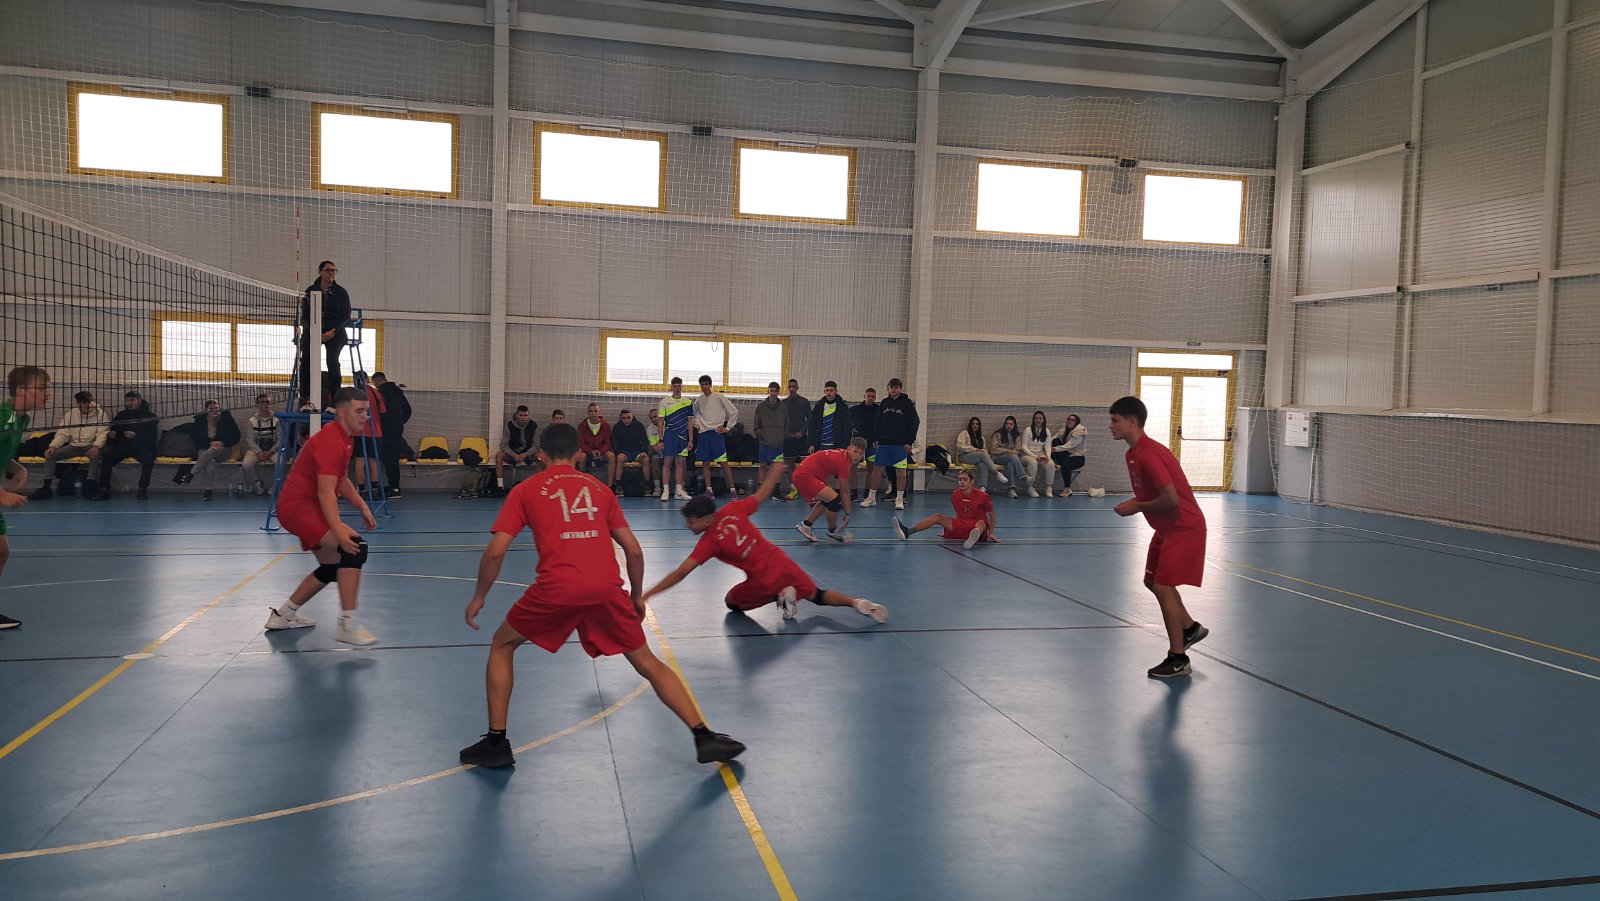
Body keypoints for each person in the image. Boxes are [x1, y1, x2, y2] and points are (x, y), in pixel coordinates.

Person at [458, 423, 745, 769]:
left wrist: (479, 596)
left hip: (557, 588)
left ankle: (496, 742)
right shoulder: (600, 489)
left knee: (502, 644)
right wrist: (636, 596)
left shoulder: (526, 490)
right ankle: (703, 735)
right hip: (606, 588)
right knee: (647, 662)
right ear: (579, 454)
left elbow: (495, 551)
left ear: (541, 455)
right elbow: (634, 551)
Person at [643, 461, 887, 626]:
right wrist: (775, 472)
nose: (688, 526)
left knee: (731, 602)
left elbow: (681, 572)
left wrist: (648, 594)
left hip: (763, 579)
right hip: (781, 560)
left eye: (691, 522)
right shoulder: (733, 509)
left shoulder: (710, 542)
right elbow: (761, 494)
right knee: (816, 594)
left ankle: (781, 596)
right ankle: (857, 603)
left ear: (706, 520)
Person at [263, 387, 380, 647]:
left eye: (366, 411)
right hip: (298, 508)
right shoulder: (331, 442)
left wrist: (362, 506)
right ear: (342, 412)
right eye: (359, 411)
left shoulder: (345, 438)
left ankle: (283, 615)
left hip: (306, 506)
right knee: (354, 549)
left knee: (333, 566)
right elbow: (326, 494)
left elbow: (341, 480)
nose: (365, 417)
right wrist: (338, 532)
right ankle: (348, 626)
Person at [1109, 395, 1209, 679]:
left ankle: (1178, 659)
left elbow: (1171, 499)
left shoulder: (1149, 454)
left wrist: (1137, 506)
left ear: (1132, 422)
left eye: (1115, 421)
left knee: (1163, 586)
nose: (1110, 426)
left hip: (1184, 527)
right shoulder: (1132, 454)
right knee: (1151, 582)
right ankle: (1189, 628)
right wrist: (1139, 504)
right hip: (1166, 528)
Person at [0, 366, 51, 629]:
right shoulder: (2, 416)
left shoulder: (21, 419)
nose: (47, 394)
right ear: (20, 390)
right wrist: (2, 494)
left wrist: (17, 467)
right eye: (41, 388)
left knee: (1, 551)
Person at [892, 468, 997, 549]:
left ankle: (973, 538)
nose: (962, 482)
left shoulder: (982, 496)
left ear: (972, 481)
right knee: (937, 516)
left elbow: (992, 514)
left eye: (965, 479)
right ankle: (907, 531)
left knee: (980, 523)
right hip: (962, 524)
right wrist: (950, 529)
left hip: (977, 526)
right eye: (960, 479)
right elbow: (959, 513)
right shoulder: (955, 494)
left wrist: (990, 533)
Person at [33, 390, 108, 500]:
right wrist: (52, 446)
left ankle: (90, 486)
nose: (88, 405)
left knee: (95, 455)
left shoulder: (101, 414)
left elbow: (103, 433)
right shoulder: (71, 414)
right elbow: (62, 434)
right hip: (74, 446)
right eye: (84, 403)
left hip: (91, 445)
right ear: (78, 404)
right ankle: (46, 487)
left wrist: (96, 446)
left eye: (89, 402)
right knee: (51, 455)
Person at [298, 260, 351, 410]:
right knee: (306, 361)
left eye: (334, 270)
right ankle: (305, 398)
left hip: (335, 333)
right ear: (320, 271)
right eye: (328, 270)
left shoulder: (341, 292)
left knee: (333, 362)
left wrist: (333, 331)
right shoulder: (310, 291)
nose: (331, 273)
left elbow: (345, 316)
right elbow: (305, 315)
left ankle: (334, 400)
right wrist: (315, 332)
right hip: (313, 331)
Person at [793, 437, 866, 543]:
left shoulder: (842, 455)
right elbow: (845, 491)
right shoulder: (843, 463)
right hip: (805, 476)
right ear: (848, 448)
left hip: (808, 474)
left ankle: (806, 525)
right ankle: (832, 530)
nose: (858, 456)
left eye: (861, 453)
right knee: (835, 501)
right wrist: (848, 513)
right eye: (855, 451)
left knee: (828, 500)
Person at [94, 390, 159, 501]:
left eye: (132, 400)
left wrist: (136, 436)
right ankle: (103, 489)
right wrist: (112, 435)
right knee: (106, 460)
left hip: (141, 447)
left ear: (139, 400)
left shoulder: (150, 417)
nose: (129, 403)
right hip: (122, 446)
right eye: (127, 400)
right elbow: (114, 430)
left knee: (149, 459)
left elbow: (152, 437)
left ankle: (142, 489)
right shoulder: (121, 415)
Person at [874, 377, 920, 511]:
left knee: (901, 471)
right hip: (884, 442)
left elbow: (914, 422)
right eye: (891, 387)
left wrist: (909, 441)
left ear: (901, 389)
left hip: (900, 444)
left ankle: (900, 498)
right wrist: (876, 438)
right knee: (881, 469)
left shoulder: (907, 404)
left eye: (896, 387)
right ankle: (873, 496)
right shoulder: (884, 403)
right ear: (888, 389)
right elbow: (878, 421)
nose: (894, 390)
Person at [690, 375, 739, 499]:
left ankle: (733, 490)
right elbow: (693, 414)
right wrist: (697, 425)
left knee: (723, 462)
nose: (704, 387)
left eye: (706, 384)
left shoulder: (719, 397)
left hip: (716, 435)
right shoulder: (699, 399)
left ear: (710, 385)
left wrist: (727, 428)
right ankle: (709, 490)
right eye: (702, 384)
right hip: (703, 435)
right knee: (705, 463)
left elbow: (734, 411)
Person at [188, 400, 241, 501]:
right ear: (206, 410)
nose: (214, 410)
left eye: (216, 408)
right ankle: (208, 491)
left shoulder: (227, 418)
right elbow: (194, 437)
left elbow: (236, 436)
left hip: (224, 450)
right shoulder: (200, 420)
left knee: (213, 450)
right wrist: (209, 443)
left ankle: (192, 472)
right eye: (211, 409)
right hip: (205, 448)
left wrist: (222, 443)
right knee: (210, 461)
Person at [371, 372, 412, 499]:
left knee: (388, 459)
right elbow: (408, 410)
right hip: (397, 429)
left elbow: (379, 413)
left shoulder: (380, 393)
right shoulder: (398, 392)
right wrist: (400, 422)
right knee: (393, 458)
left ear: (376, 381)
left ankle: (394, 488)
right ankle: (394, 486)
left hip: (385, 430)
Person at [657, 378, 693, 501]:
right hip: (669, 435)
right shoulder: (664, 402)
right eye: (675, 386)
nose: (677, 388)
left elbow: (690, 421)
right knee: (667, 462)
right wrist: (660, 439)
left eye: (679, 386)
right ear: (671, 387)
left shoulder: (688, 402)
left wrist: (690, 440)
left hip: (682, 437)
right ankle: (666, 491)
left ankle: (679, 491)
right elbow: (660, 421)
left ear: (682, 387)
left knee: (680, 463)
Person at [752, 382, 788, 502]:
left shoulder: (783, 408)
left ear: (778, 392)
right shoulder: (761, 407)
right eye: (771, 390)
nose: (773, 393)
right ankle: (760, 490)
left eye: (775, 391)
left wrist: (782, 435)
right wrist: (761, 435)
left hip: (778, 443)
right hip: (764, 442)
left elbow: (787, 424)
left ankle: (776, 492)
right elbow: (756, 425)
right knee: (762, 465)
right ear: (768, 391)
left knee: (777, 466)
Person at [953, 416, 1008, 492]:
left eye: (977, 424)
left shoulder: (981, 437)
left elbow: (984, 450)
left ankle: (983, 487)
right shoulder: (964, 433)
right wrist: (975, 449)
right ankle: (997, 473)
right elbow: (960, 447)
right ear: (970, 425)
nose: (975, 425)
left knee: (983, 464)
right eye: (973, 424)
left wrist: (984, 453)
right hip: (964, 456)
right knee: (981, 455)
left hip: (977, 458)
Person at [241, 393, 281, 497]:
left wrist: (271, 451)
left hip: (272, 449)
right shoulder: (252, 421)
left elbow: (281, 439)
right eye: (263, 402)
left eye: (268, 402)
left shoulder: (277, 420)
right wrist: (258, 451)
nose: (266, 404)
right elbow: (250, 440)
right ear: (258, 405)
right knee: (246, 464)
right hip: (257, 449)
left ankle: (274, 485)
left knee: (280, 462)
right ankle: (257, 483)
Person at [494, 405, 537, 495]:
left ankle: (538, 485)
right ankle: (500, 486)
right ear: (517, 415)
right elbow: (503, 445)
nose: (523, 418)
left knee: (541, 456)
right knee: (499, 455)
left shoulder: (533, 425)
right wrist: (514, 454)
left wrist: (525, 454)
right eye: (521, 415)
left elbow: (536, 445)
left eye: (525, 415)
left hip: (527, 452)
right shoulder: (509, 426)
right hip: (513, 452)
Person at [850, 387, 881, 502]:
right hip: (857, 443)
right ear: (864, 396)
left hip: (872, 443)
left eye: (873, 397)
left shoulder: (879, 410)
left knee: (871, 468)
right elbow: (847, 421)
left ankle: (867, 493)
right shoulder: (854, 410)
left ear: (875, 398)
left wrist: (877, 439)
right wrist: (852, 428)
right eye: (869, 396)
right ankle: (853, 493)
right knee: (853, 467)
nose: (870, 398)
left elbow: (881, 425)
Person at [780, 378, 809, 500]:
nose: (792, 388)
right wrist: (788, 434)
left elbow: (810, 419)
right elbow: (781, 421)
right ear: (787, 388)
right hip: (788, 438)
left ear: (797, 388)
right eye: (790, 386)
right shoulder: (783, 403)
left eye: (794, 386)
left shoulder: (804, 402)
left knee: (806, 464)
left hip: (802, 437)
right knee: (789, 464)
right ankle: (794, 489)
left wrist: (802, 432)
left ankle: (807, 489)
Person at [610, 408, 651, 492]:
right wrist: (619, 452)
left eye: (628, 417)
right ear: (620, 418)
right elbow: (614, 442)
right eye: (623, 418)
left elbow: (644, 440)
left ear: (632, 417)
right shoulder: (617, 427)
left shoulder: (639, 426)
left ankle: (647, 486)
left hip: (637, 452)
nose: (626, 420)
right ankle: (618, 486)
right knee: (619, 459)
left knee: (646, 459)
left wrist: (644, 451)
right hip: (624, 452)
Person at [1021, 410, 1058, 498]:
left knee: (1051, 464)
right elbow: (1024, 446)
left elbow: (1048, 446)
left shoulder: (1047, 431)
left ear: (1043, 420)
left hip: (1041, 454)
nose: (1038, 420)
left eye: (1040, 418)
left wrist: (1048, 456)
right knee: (1033, 463)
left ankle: (1048, 488)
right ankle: (1030, 487)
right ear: (1033, 420)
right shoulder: (1028, 430)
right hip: (1027, 454)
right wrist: (1034, 456)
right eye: (1036, 418)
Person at [808, 381, 852, 454]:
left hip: (837, 446)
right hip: (820, 445)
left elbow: (847, 427)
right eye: (827, 390)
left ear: (836, 391)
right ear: (824, 391)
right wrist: (811, 443)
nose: (829, 392)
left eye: (831, 390)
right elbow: (812, 426)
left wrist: (845, 445)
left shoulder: (843, 407)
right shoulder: (818, 407)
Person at [578, 403, 615, 485]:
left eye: (595, 411)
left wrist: (600, 451)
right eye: (591, 411)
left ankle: (610, 485)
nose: (593, 413)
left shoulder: (605, 425)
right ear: (588, 412)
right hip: (587, 451)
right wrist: (591, 451)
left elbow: (608, 443)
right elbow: (581, 444)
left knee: (612, 457)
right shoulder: (582, 426)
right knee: (581, 457)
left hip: (601, 450)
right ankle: (581, 483)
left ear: (599, 412)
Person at [990, 416, 1027, 498]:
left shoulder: (1016, 435)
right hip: (997, 458)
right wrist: (1006, 450)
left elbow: (1018, 449)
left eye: (1011, 424)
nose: (1009, 425)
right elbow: (993, 450)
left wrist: (1013, 452)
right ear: (1004, 424)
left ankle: (1011, 489)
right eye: (1007, 424)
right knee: (1013, 457)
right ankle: (1023, 476)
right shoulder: (997, 434)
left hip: (1010, 457)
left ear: (1014, 425)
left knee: (1010, 464)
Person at [1051, 413, 1087, 497]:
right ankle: (1056, 463)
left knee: (1065, 465)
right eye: (1069, 419)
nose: (1070, 421)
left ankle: (1067, 489)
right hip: (1067, 454)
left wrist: (1054, 449)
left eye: (1072, 420)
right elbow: (1056, 436)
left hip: (1077, 458)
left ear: (1076, 422)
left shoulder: (1080, 432)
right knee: (1055, 441)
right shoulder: (1065, 428)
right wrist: (1047, 445)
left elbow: (1069, 446)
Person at [645, 409, 664, 495]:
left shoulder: (668, 425)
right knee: (655, 459)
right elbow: (655, 448)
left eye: (655, 417)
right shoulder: (649, 430)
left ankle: (678, 487)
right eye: (651, 418)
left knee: (680, 459)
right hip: (658, 453)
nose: (653, 419)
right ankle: (657, 487)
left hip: (670, 452)